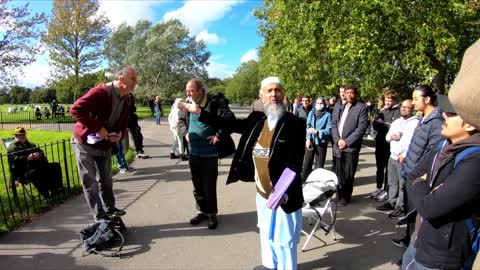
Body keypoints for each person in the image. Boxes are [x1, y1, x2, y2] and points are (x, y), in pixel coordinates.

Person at [181, 76, 305, 270]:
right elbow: (230, 125)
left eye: (278, 90)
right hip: (263, 192)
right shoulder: (257, 119)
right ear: (261, 96)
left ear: (283, 94)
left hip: (284, 194)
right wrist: (199, 112)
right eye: (269, 91)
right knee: (265, 232)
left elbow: (295, 162)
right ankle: (269, 265)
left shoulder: (295, 123)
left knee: (284, 239)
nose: (274, 94)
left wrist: (284, 192)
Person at [403, 94, 480, 270]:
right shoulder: (443, 144)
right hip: (419, 238)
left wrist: (423, 184)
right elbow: (413, 175)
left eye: (452, 114)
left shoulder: (475, 160)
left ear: (469, 124)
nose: (444, 115)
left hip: (441, 255)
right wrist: (427, 188)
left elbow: (429, 207)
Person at [70, 66, 136, 221]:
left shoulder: (127, 98)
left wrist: (119, 134)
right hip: (85, 143)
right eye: (133, 79)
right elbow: (76, 109)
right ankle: (99, 215)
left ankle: (110, 209)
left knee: (106, 180)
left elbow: (123, 120)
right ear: (121, 79)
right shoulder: (100, 92)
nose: (136, 82)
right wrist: (98, 128)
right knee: (90, 182)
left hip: (104, 144)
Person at [178, 79, 236, 230]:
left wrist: (219, 135)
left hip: (210, 153)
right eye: (187, 91)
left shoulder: (214, 102)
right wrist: (186, 134)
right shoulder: (187, 102)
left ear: (201, 90)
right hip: (194, 152)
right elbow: (181, 121)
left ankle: (212, 214)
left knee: (209, 186)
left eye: (191, 90)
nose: (188, 93)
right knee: (197, 186)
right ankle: (202, 211)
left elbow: (229, 120)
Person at [391, 85, 444, 249]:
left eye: (415, 99)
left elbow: (432, 153)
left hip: (417, 177)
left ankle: (413, 250)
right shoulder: (423, 119)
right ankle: (408, 240)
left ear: (427, 99)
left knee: (416, 216)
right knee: (410, 214)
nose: (412, 103)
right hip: (410, 172)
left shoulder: (435, 122)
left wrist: (416, 173)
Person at [376, 99, 419, 218]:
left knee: (402, 185)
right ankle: (391, 201)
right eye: (402, 106)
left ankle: (400, 206)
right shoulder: (396, 122)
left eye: (407, 107)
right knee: (392, 182)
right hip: (392, 156)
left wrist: (405, 155)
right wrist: (391, 136)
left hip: (403, 158)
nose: (403, 109)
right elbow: (387, 137)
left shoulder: (415, 123)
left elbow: (414, 142)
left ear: (412, 109)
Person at [331, 85, 369, 206]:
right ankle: (339, 195)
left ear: (356, 94)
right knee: (339, 173)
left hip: (350, 148)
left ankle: (345, 197)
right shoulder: (340, 106)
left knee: (348, 174)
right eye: (347, 93)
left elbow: (361, 128)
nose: (349, 95)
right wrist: (337, 140)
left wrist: (346, 142)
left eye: (352, 93)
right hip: (338, 146)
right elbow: (334, 124)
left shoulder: (361, 108)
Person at [370, 90, 401, 201]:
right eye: (386, 100)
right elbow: (374, 125)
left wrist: (385, 124)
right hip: (380, 143)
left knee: (389, 169)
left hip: (390, 145)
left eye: (390, 100)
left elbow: (396, 128)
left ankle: (387, 190)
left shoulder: (398, 112)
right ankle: (379, 188)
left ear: (394, 100)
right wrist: (377, 123)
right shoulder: (382, 111)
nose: (387, 102)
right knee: (379, 168)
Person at [7, 127, 50, 198]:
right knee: (38, 172)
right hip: (23, 171)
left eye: (24, 135)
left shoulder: (29, 144)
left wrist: (39, 154)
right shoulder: (12, 147)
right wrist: (27, 158)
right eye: (21, 135)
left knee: (55, 166)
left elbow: (40, 151)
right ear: (16, 136)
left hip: (35, 166)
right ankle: (45, 195)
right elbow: (13, 159)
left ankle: (56, 189)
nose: (24, 136)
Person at [301, 96, 332, 180]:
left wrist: (318, 132)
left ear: (324, 104)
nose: (319, 105)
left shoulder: (328, 115)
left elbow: (329, 130)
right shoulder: (312, 112)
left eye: (321, 103)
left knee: (319, 165)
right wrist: (308, 139)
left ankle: (316, 181)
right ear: (315, 104)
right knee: (307, 162)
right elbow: (308, 126)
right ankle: (304, 180)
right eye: (318, 103)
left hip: (321, 143)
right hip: (311, 141)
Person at [127, 93, 149, 159]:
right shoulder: (126, 106)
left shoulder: (131, 105)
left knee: (139, 136)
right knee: (136, 136)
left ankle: (139, 151)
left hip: (133, 122)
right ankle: (139, 151)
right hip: (130, 122)